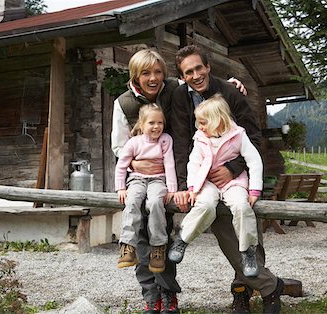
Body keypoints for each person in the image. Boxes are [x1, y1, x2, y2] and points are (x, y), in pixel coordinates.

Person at [111, 48, 247, 313]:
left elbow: (200, 81)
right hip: (138, 178)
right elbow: (119, 147)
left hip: (168, 177)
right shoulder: (124, 103)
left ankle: (169, 294)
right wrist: (135, 161)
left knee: (160, 230)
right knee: (141, 235)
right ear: (135, 76)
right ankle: (151, 297)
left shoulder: (174, 88)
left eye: (158, 72)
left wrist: (231, 83)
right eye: (146, 73)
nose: (153, 78)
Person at [170, 45, 284, 313]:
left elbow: (253, 138)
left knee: (245, 225)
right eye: (189, 72)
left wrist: (232, 168)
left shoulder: (230, 92)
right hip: (204, 181)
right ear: (182, 76)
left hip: (238, 176)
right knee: (226, 235)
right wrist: (187, 186)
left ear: (208, 66)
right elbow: (181, 142)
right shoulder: (179, 96)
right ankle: (262, 288)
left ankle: (255, 292)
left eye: (199, 68)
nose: (196, 75)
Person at [168, 94, 262, 278]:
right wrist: (193, 188)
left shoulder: (238, 135)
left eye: (203, 122)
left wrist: (254, 190)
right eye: (198, 123)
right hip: (207, 182)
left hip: (234, 182)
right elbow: (193, 164)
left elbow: (254, 160)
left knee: (242, 206)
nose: (199, 127)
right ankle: (183, 238)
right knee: (205, 205)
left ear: (218, 120)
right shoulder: (201, 138)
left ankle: (248, 250)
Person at [115, 104, 177, 275]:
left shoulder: (166, 140)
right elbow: (122, 165)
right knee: (133, 201)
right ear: (141, 125)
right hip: (136, 179)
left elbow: (169, 164)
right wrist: (120, 188)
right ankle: (128, 246)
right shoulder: (134, 142)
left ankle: (158, 247)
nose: (156, 126)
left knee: (156, 203)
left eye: (160, 122)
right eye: (151, 123)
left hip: (158, 179)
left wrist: (171, 188)